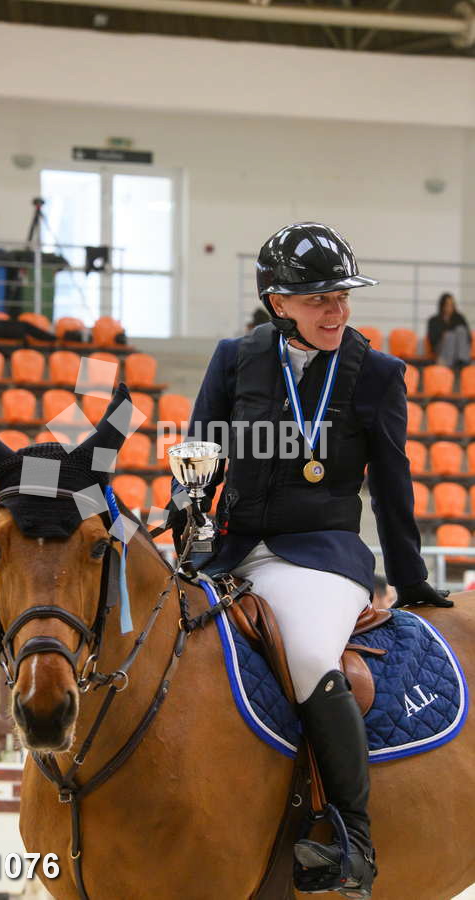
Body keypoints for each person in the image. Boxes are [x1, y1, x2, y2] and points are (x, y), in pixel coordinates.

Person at [169, 222, 452, 898]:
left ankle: (353, 840)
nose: (336, 310)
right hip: (230, 550)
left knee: (307, 657)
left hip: (320, 558)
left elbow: (392, 486)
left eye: (342, 296)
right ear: (279, 303)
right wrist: (185, 525)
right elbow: (200, 455)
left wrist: (410, 579)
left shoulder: (377, 374)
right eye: (319, 298)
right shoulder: (234, 360)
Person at [427, 292, 471, 368]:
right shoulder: (434, 320)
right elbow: (432, 340)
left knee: (461, 330)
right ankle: (448, 364)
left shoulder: (459, 318)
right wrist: (443, 335)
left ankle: (463, 361)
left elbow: (468, 337)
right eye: (447, 304)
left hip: (458, 348)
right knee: (450, 336)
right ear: (442, 305)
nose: (449, 307)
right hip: (441, 348)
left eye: (452, 304)